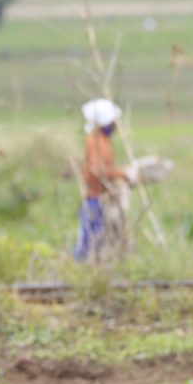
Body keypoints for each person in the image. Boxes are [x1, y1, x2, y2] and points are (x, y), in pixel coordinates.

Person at [75, 98, 128, 262]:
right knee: (91, 241)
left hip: (102, 198)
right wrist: (122, 174)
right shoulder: (96, 141)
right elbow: (97, 170)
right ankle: (83, 270)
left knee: (100, 240)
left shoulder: (103, 141)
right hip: (96, 198)